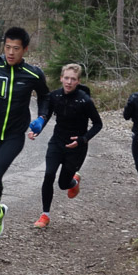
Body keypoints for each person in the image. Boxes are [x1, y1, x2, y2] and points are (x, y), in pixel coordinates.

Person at [0, 26, 49, 248]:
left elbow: (46, 98)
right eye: (7, 47)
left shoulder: (33, 74)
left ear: (24, 49)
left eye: (16, 48)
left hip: (14, 136)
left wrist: (42, 118)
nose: (11, 52)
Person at [28, 63, 103, 229]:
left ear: (78, 81)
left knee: (63, 184)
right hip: (57, 142)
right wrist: (38, 130)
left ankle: (74, 182)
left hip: (76, 148)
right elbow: (46, 115)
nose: (69, 82)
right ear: (61, 78)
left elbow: (98, 124)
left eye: (73, 79)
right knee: (48, 175)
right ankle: (45, 215)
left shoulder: (84, 100)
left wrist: (83, 139)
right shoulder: (55, 96)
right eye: (66, 78)